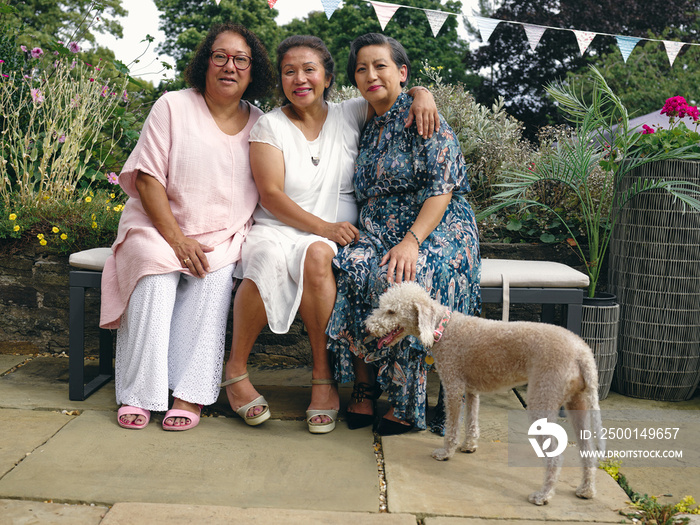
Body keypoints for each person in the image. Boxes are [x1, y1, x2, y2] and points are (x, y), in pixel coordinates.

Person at [221, 35, 439, 434]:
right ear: (281, 80)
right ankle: (235, 371)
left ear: (327, 77)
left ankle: (322, 377)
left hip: (329, 239)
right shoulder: (269, 125)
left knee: (319, 255)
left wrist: (422, 92)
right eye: (289, 71)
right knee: (266, 259)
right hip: (280, 227)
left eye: (309, 70)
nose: (299, 79)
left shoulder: (350, 113)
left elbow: (391, 92)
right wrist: (324, 226)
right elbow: (270, 195)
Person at [99, 23, 275, 431]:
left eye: (240, 60)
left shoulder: (262, 123)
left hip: (222, 233)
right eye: (220, 56)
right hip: (157, 226)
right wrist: (176, 240)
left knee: (211, 282)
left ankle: (187, 394)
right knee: (155, 274)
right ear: (205, 62)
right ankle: (139, 394)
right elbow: (146, 179)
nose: (229, 66)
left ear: (253, 71)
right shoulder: (173, 106)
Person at [326, 33, 482, 435]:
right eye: (362, 68)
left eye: (381, 65)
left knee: (405, 278)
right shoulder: (365, 121)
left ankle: (407, 404)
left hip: (435, 226)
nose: (371, 74)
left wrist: (411, 240)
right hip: (379, 230)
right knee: (352, 267)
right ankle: (365, 385)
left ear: (402, 72)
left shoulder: (423, 117)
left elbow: (441, 188)